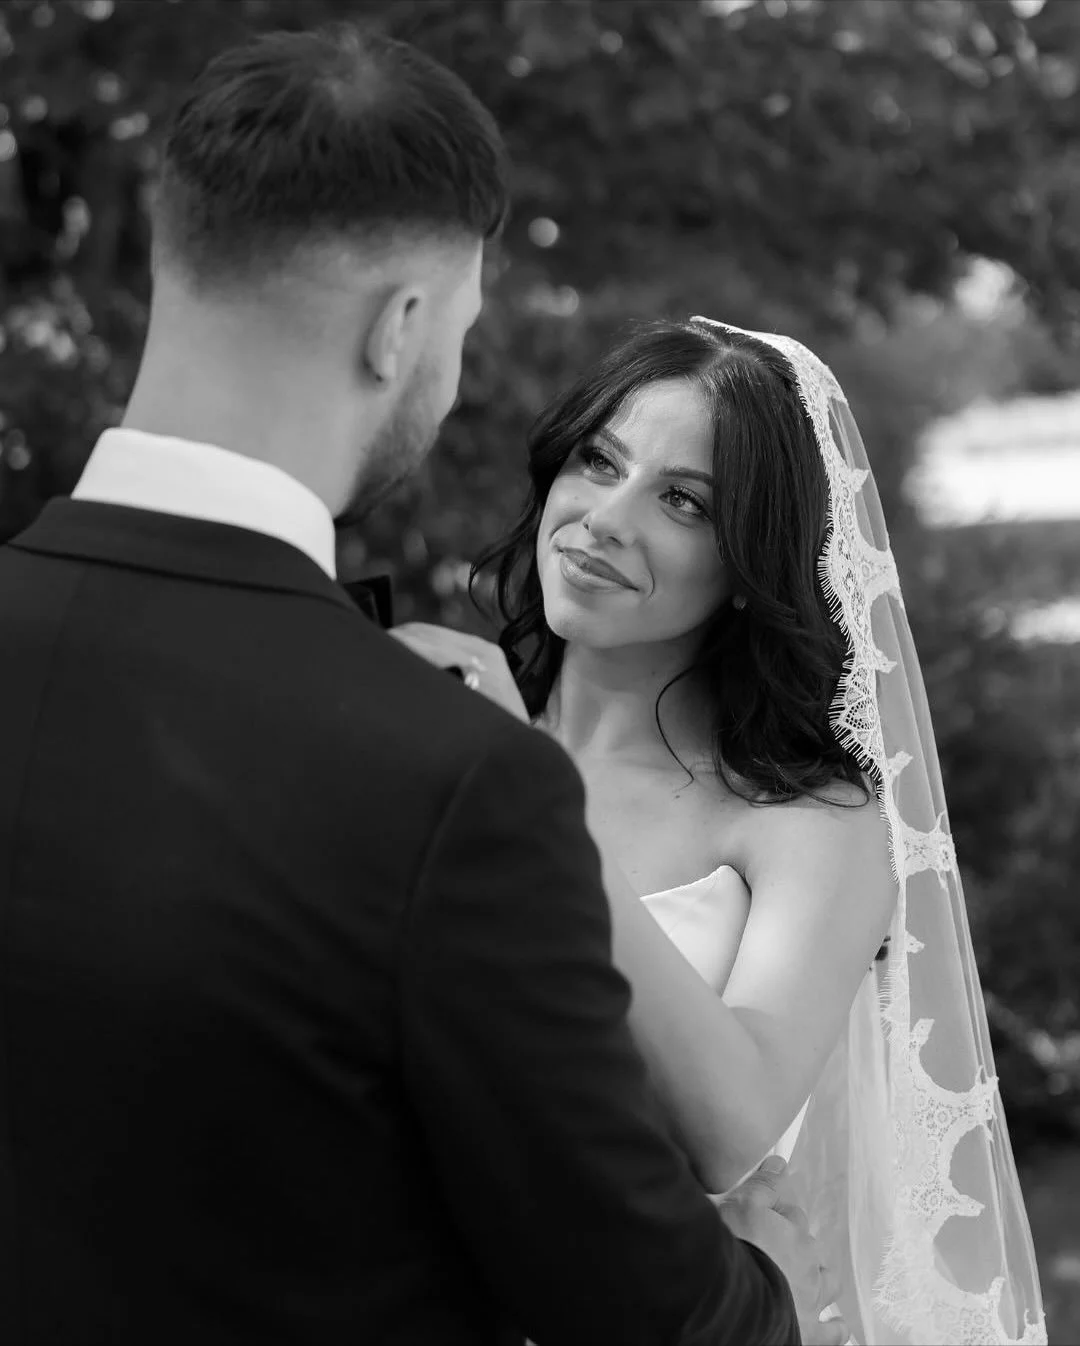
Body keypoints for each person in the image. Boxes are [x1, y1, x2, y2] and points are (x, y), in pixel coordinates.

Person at [0, 25, 844, 1346]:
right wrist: (758, 1280)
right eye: (459, 325)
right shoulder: (449, 782)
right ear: (401, 329)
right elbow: (665, 1314)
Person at [397, 319, 1048, 1345]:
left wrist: (524, 788)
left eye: (682, 499)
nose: (604, 518)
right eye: (598, 460)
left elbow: (730, 1123)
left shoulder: (806, 824)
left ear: (750, 559)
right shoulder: (423, 737)